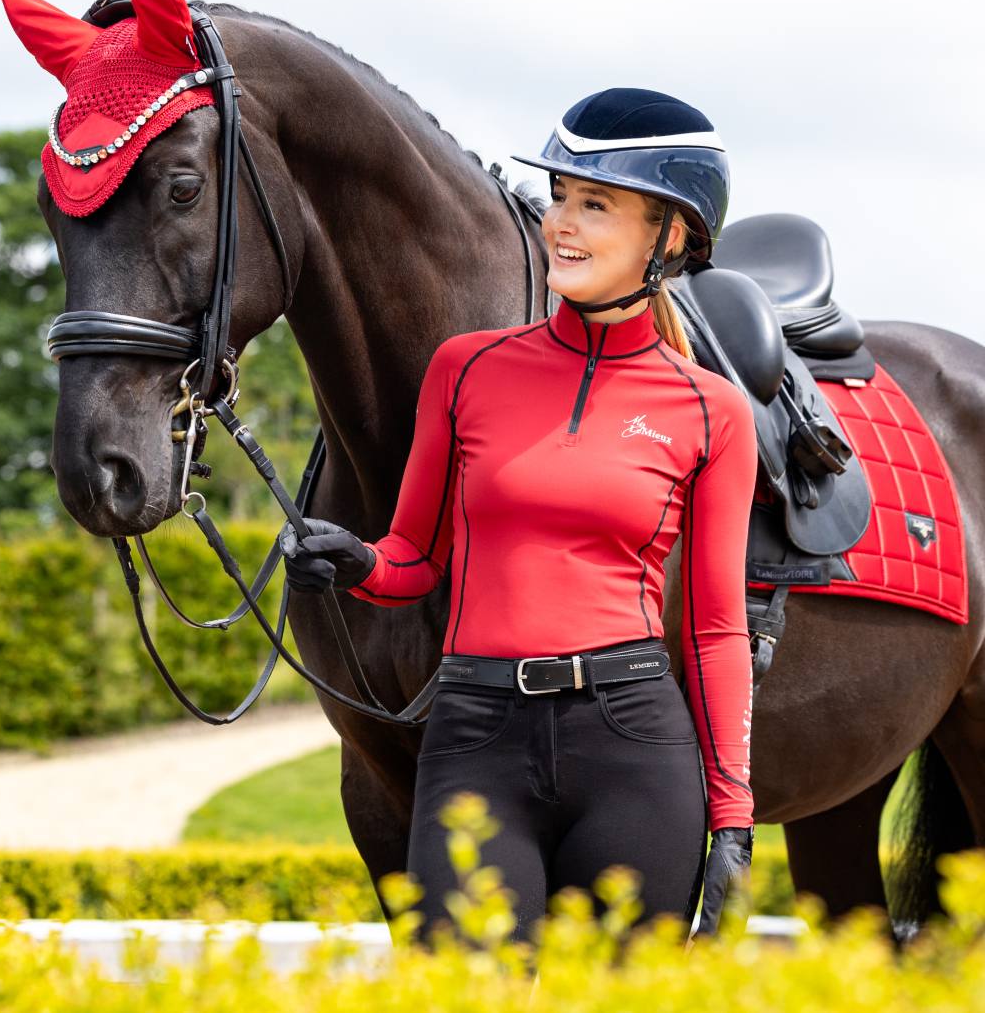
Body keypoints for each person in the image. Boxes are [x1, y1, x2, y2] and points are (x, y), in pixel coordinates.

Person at [282, 88, 757, 941]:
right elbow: (413, 562)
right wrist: (355, 562)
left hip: (632, 745)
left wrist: (733, 812)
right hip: (474, 737)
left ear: (670, 235)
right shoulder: (464, 370)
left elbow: (714, 629)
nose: (561, 224)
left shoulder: (712, 410)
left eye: (596, 204)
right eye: (561, 199)